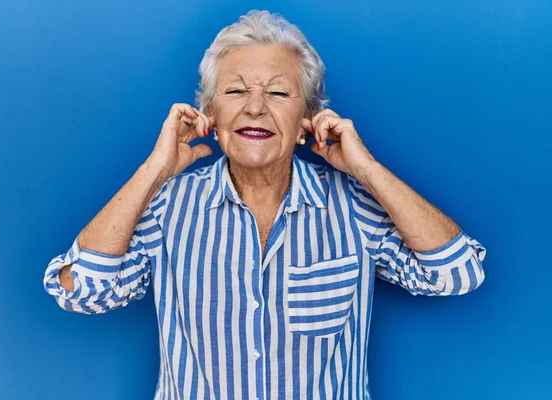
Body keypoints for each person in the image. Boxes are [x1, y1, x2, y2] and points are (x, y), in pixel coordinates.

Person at [43, 10, 486, 400]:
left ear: (306, 121)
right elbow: (81, 291)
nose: (255, 107)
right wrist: (156, 168)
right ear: (209, 116)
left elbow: (456, 274)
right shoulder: (167, 206)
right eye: (235, 92)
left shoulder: (353, 205)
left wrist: (366, 168)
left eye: (278, 93)